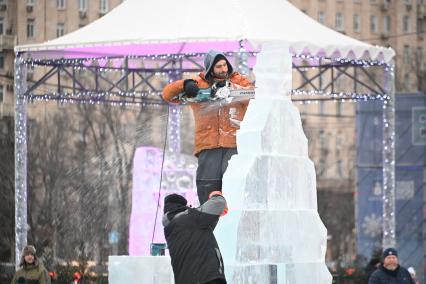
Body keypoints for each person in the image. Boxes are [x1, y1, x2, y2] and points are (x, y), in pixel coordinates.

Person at [163, 50, 254, 204]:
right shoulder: (199, 83)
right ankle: (209, 219)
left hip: (234, 143)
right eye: (219, 66)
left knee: (234, 184)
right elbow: (167, 94)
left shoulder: (239, 80)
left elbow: (255, 95)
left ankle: (234, 217)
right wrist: (185, 84)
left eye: (225, 64)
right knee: (208, 188)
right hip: (208, 144)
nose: (224, 69)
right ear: (210, 68)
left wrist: (233, 89)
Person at [162, 192, 228, 284]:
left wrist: (214, 215)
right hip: (206, 278)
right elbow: (219, 203)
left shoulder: (171, 228)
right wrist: (215, 193)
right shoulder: (190, 217)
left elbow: (201, 232)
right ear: (181, 206)